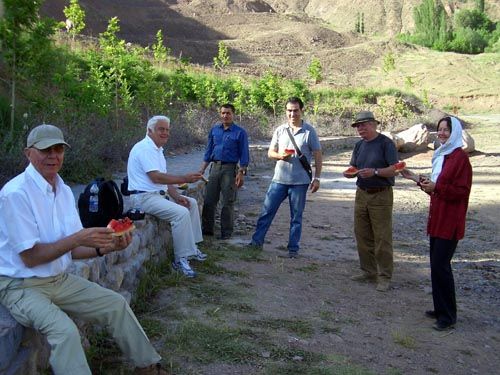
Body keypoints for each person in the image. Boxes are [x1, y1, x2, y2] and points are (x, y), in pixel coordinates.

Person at [0, 124, 168, 375]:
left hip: (58, 280)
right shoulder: (16, 194)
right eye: (45, 150)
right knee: (65, 331)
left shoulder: (64, 190)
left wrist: (107, 248)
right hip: (21, 286)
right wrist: (78, 238)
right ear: (28, 153)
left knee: (115, 304)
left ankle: (147, 367)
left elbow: (72, 250)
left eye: (58, 149)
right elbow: (32, 257)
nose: (53, 155)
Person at [401, 116, 472, 331]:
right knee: (435, 265)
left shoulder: (460, 159)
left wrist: (436, 188)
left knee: (442, 266)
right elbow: (435, 186)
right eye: (439, 130)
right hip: (437, 218)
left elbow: (461, 192)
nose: (441, 134)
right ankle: (440, 308)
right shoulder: (442, 155)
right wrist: (415, 178)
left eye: (446, 131)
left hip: (449, 221)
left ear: (455, 133)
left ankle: (448, 316)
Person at [127, 116, 206, 278]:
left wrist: (177, 197)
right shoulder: (144, 149)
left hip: (156, 195)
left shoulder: (157, 149)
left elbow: (164, 178)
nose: (165, 133)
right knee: (180, 213)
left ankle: (192, 248)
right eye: (161, 129)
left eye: (167, 130)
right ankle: (180, 260)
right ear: (150, 131)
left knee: (189, 203)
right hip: (143, 198)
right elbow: (157, 178)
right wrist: (184, 178)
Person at [248, 97, 322, 258]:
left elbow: (317, 155)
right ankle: (256, 242)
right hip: (279, 180)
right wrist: (279, 156)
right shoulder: (280, 130)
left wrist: (317, 178)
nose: (292, 113)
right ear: (286, 111)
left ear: (301, 111)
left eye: (295, 110)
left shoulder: (309, 131)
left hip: (300, 182)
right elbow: (270, 152)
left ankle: (293, 249)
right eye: (289, 110)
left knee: (296, 217)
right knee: (266, 212)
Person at [344, 110, 399, 292]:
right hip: (362, 193)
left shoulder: (386, 143)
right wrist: (349, 172)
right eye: (358, 126)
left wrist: (375, 172)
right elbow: (355, 166)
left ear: (374, 124)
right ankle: (368, 271)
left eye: (364, 125)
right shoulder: (359, 146)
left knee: (382, 237)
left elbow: (395, 169)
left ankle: (384, 276)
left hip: (381, 194)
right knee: (362, 234)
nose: (360, 129)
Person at [199, 103, 250, 240]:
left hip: (230, 169)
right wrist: (202, 170)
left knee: (228, 202)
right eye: (223, 113)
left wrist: (241, 172)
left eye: (228, 113)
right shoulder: (214, 131)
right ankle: (207, 230)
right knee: (209, 200)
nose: (225, 116)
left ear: (233, 114)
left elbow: (244, 154)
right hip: (215, 168)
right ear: (220, 114)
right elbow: (208, 152)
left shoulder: (240, 133)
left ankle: (226, 233)